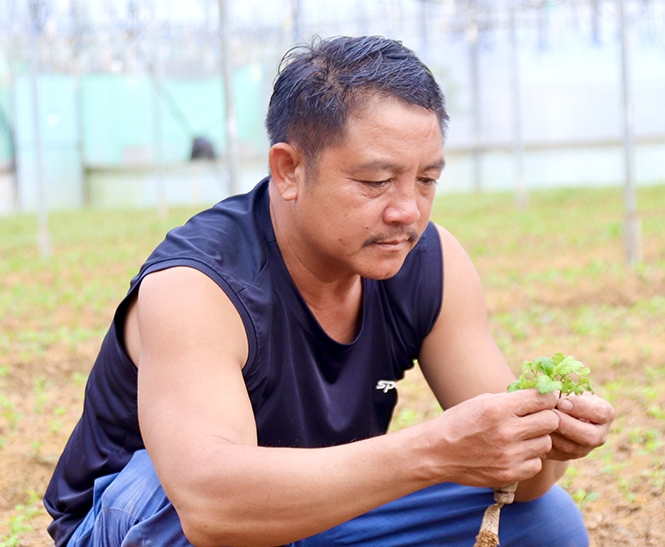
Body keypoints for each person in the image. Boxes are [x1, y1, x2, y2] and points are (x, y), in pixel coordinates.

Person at [44, 35, 615, 547]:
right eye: (375, 182)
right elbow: (211, 509)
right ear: (289, 169)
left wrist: (541, 440)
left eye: (427, 179)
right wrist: (435, 450)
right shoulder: (199, 284)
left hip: (311, 514)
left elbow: (519, 481)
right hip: (152, 521)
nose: (407, 211)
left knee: (543, 522)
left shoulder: (430, 263)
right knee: (189, 504)